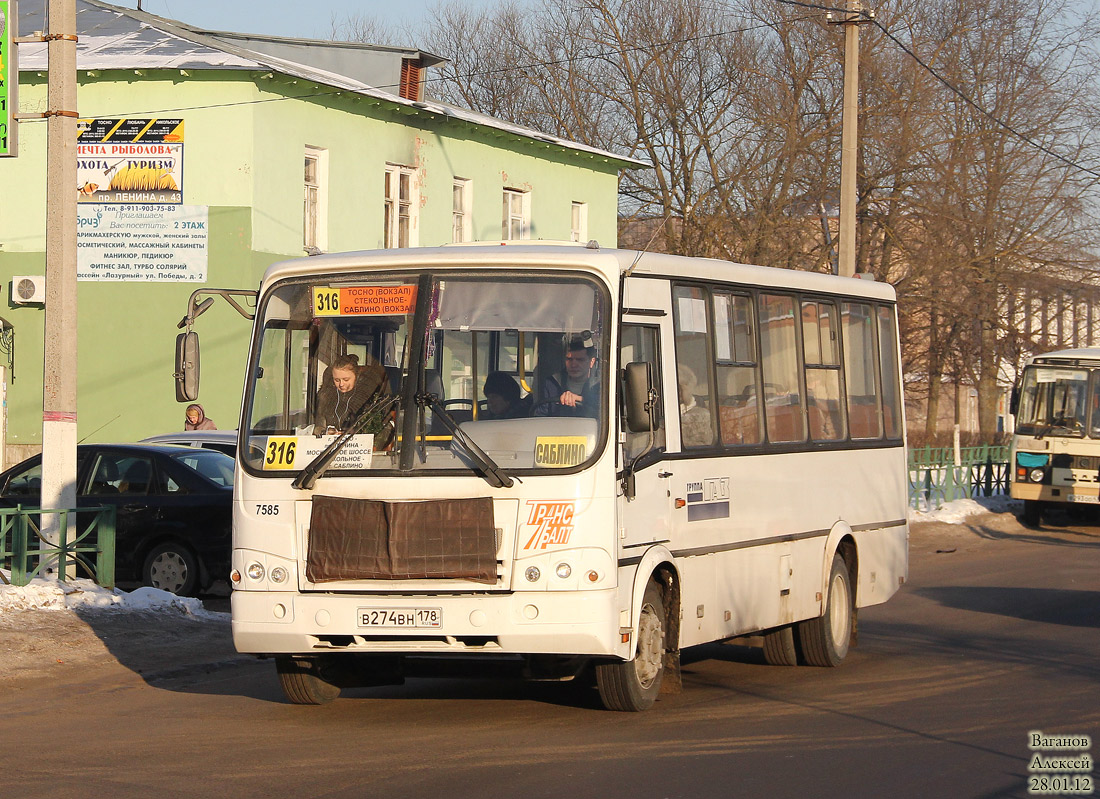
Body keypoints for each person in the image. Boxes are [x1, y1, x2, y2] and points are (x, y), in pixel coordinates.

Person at [313, 353, 390, 433]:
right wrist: (325, 431)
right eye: (337, 380)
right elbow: (318, 426)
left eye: (346, 380)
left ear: (356, 377)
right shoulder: (325, 398)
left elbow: (375, 427)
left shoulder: (368, 398)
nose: (341, 384)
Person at [534, 335, 600, 418]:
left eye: (580, 360)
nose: (573, 365)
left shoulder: (600, 385)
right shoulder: (552, 383)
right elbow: (540, 416)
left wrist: (580, 399)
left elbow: (605, 413)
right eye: (569, 359)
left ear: (592, 362)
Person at [678, 364, 713, 447]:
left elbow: (702, 444)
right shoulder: (665, 411)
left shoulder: (700, 414)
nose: (677, 392)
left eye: (680, 388)